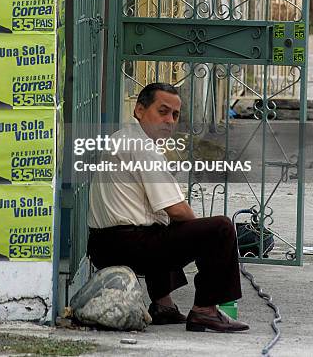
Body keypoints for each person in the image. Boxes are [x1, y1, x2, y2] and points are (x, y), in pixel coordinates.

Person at [87, 83, 249, 333]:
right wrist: (201, 236)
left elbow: (163, 213)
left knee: (162, 225)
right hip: (126, 245)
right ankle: (205, 310)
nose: (169, 121)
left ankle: (163, 305)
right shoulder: (143, 149)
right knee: (219, 229)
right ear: (139, 110)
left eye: (174, 115)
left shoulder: (123, 137)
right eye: (162, 111)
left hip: (103, 245)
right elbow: (177, 209)